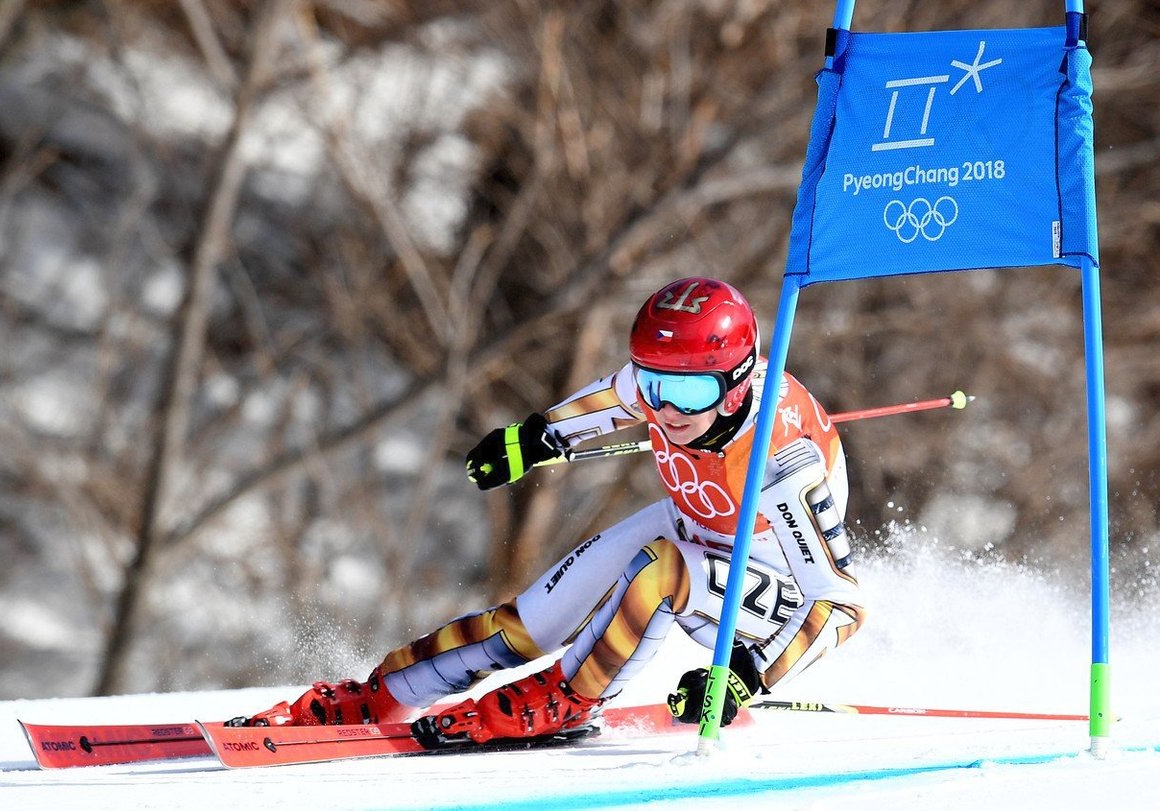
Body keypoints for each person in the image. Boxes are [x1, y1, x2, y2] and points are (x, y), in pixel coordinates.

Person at [230, 277, 865, 743]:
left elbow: (840, 605)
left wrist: (746, 679)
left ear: (736, 385)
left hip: (769, 582)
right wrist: (532, 440)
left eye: (687, 390)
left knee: (660, 571)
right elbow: (603, 403)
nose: (665, 410)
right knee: (528, 622)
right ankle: (378, 697)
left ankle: (567, 699)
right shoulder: (664, 389)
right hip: (692, 528)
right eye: (653, 384)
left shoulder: (783, 461)